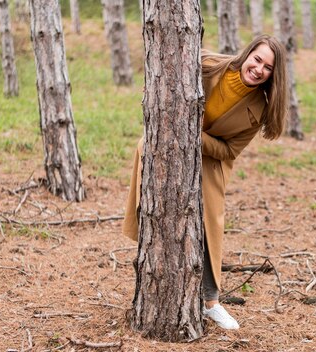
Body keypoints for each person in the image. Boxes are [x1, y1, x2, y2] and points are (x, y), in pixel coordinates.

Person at [122, 35, 287, 330]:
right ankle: (150, 257)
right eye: (257, 59)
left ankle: (211, 302)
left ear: (274, 75)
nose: (259, 68)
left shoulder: (259, 109)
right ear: (247, 54)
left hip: (211, 160)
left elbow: (229, 151)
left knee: (209, 222)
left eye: (268, 67)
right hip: (168, 141)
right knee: (147, 149)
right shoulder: (209, 64)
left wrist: (194, 137)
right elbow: (162, 71)